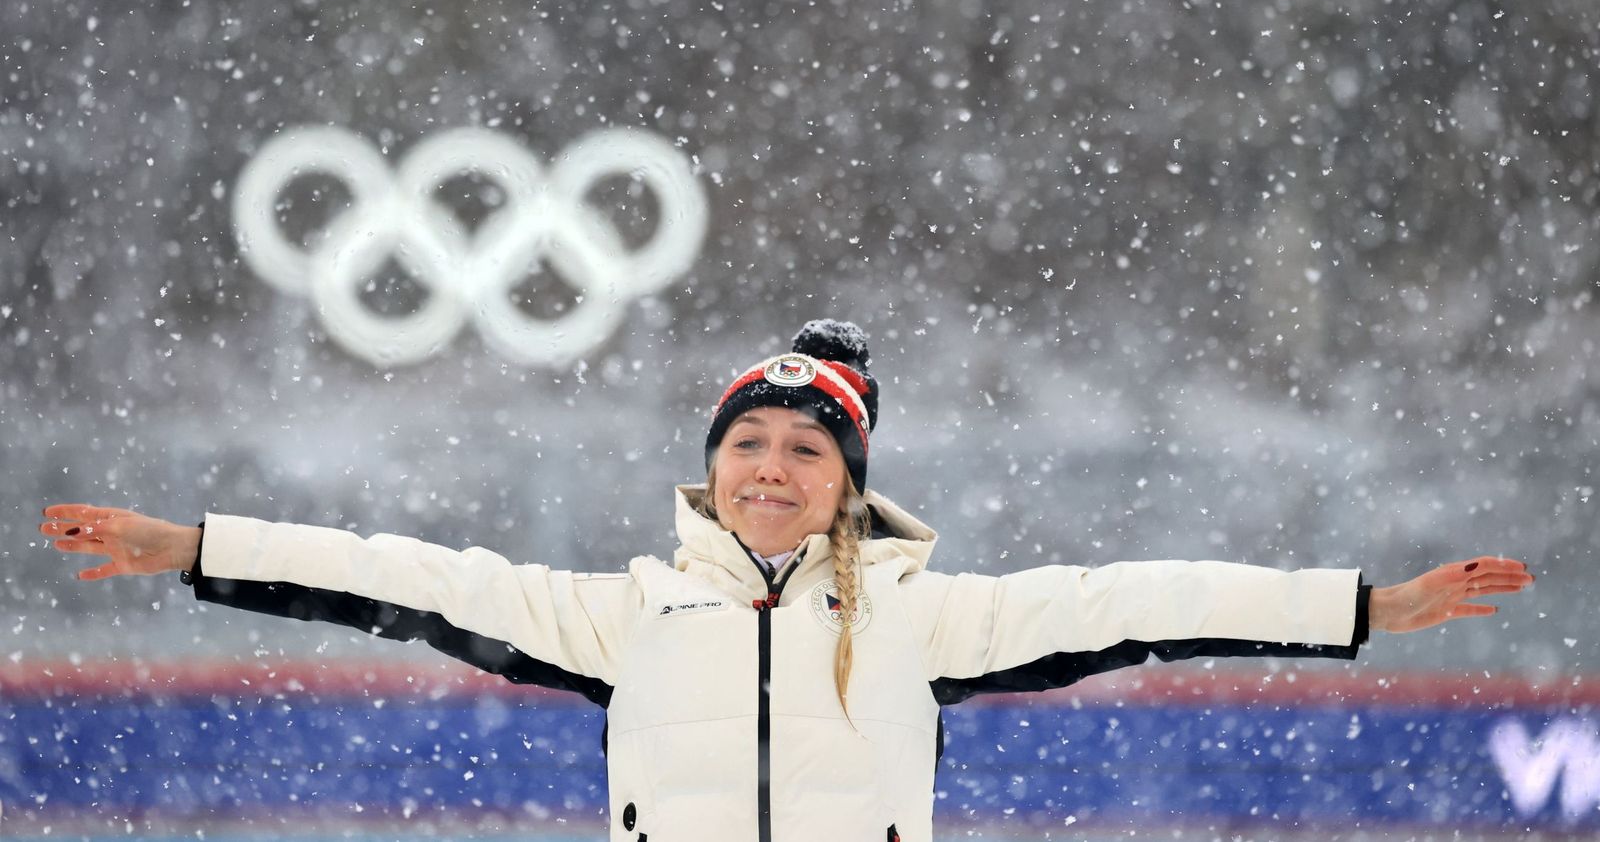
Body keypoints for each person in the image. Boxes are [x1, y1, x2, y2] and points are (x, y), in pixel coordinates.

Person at [41, 319, 1534, 842]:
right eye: (747, 439)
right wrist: (192, 547)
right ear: (712, 464)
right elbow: (400, 573)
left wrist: (1369, 610)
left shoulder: (922, 615)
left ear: (848, 478)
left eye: (803, 447)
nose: (770, 464)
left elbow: (1135, 596)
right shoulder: (629, 613)